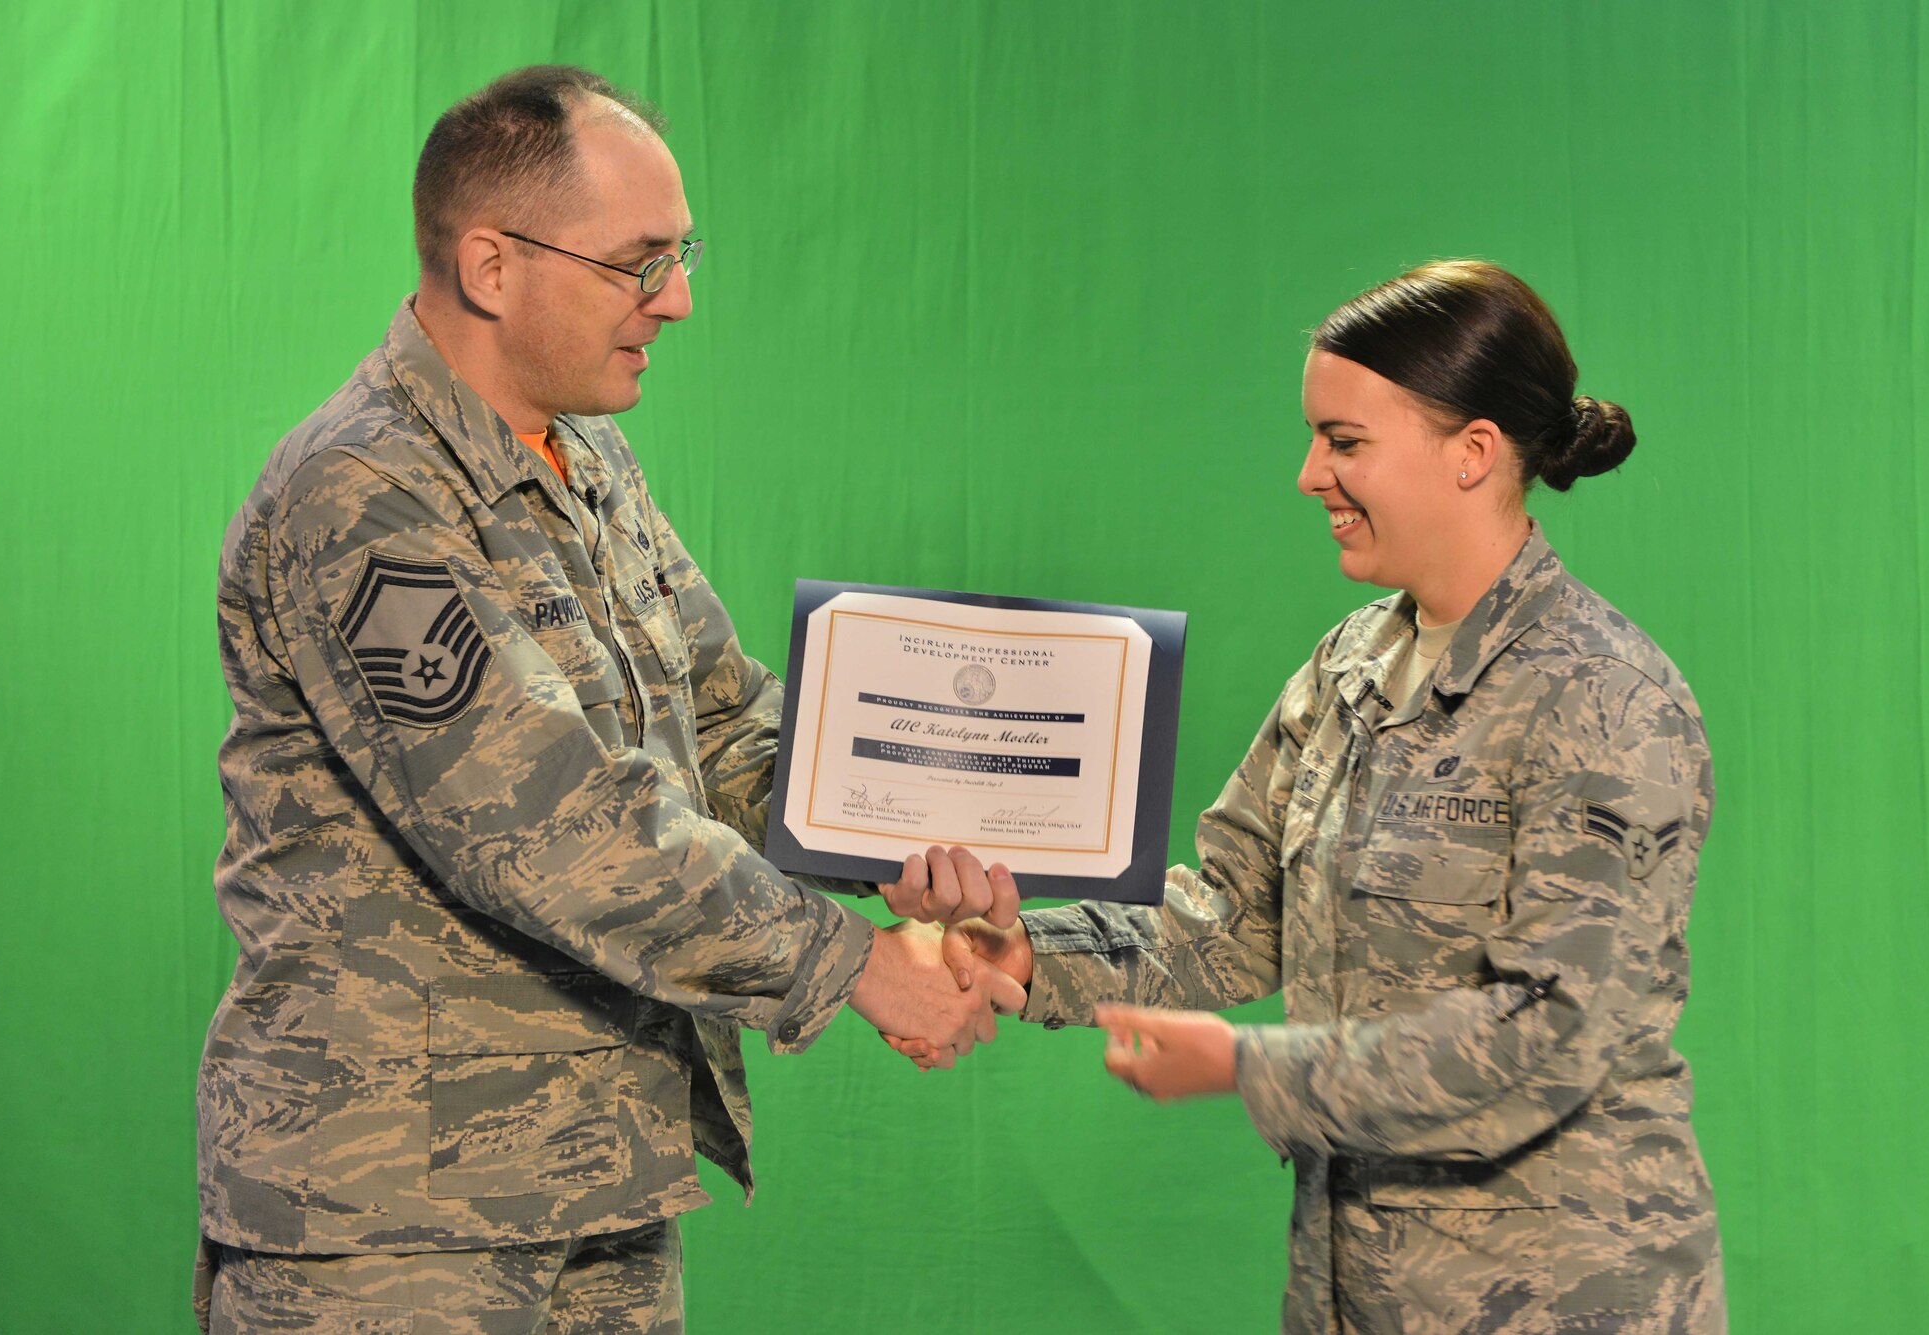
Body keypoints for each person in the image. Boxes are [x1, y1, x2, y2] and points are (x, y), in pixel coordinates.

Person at [195, 65, 1024, 1333]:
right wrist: (854, 963)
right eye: (638, 262)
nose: (677, 300)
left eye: (682, 255)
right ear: (491, 266)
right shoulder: (360, 499)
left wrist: (914, 831)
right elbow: (551, 827)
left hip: (596, 1180)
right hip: (392, 1223)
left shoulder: (585, 461)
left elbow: (723, 723)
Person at [909, 261, 1726, 1332]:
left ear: (1471, 453)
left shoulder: (1602, 699)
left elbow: (1547, 1036)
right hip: (1351, 1289)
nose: (1307, 475)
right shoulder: (1349, 669)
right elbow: (1238, 912)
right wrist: (1030, 957)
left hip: (1564, 1298)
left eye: (1344, 443)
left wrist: (1248, 1067)